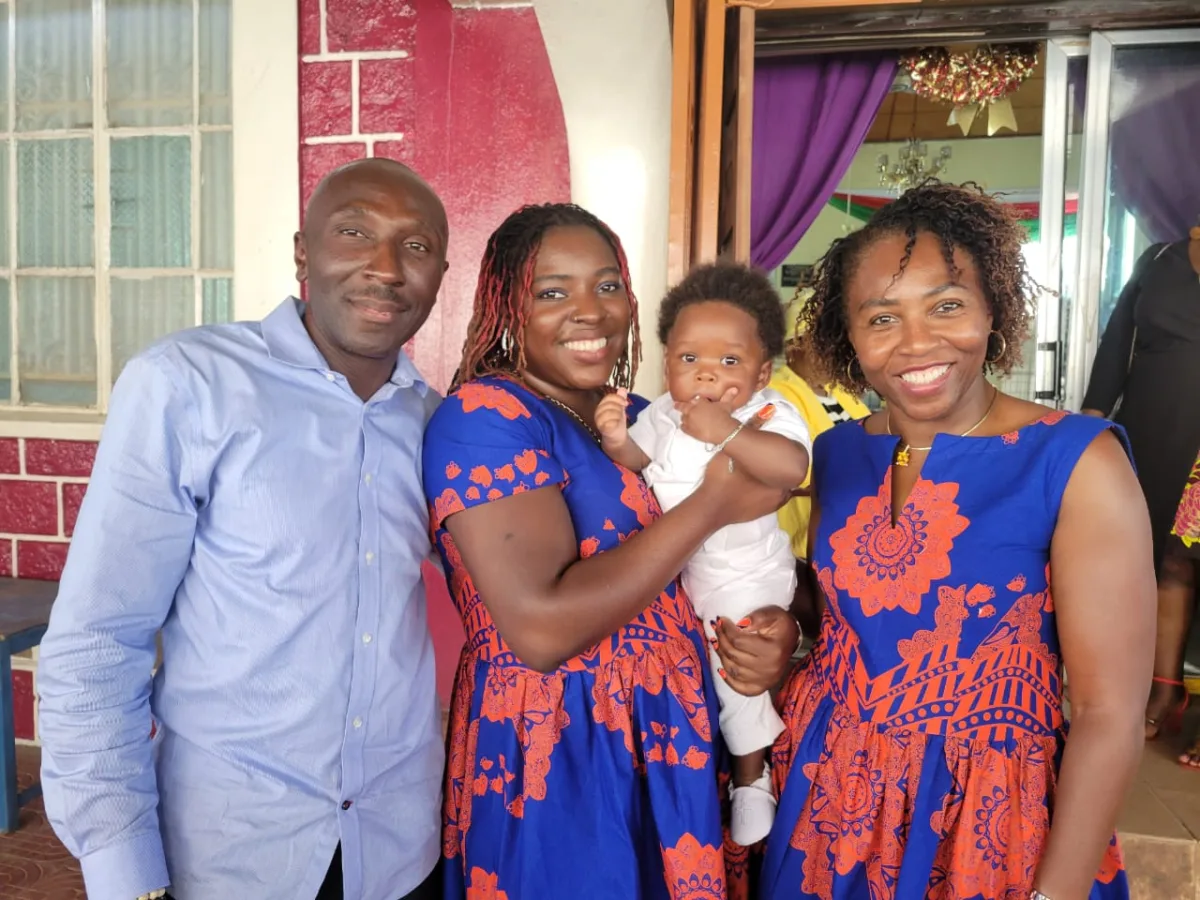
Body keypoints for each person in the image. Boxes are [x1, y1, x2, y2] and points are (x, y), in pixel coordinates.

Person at [37, 158, 450, 900]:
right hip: (231, 853)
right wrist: (121, 865)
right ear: (302, 251)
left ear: (441, 273)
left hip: (397, 848)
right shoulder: (189, 385)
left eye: (415, 247)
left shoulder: (437, 423)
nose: (385, 267)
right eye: (354, 231)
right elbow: (101, 639)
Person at [760, 181, 1155, 900]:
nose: (917, 343)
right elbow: (851, 623)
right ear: (846, 337)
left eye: (947, 305)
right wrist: (785, 632)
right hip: (827, 806)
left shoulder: (1075, 462)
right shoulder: (840, 454)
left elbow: (1110, 714)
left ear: (993, 310)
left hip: (990, 828)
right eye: (882, 318)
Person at [421, 204, 800, 899]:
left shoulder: (639, 416)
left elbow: (739, 547)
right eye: (552, 291)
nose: (588, 311)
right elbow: (541, 628)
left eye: (607, 286)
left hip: (667, 736)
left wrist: (784, 629)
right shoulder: (485, 418)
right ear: (510, 305)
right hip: (559, 749)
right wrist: (715, 497)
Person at [594, 261, 811, 847]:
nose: (707, 375)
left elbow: (792, 468)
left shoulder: (763, 412)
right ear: (666, 364)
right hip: (685, 574)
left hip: (747, 573)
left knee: (736, 667)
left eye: (730, 362)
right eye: (689, 359)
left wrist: (728, 432)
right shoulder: (662, 412)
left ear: (763, 371)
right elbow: (639, 464)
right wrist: (616, 437)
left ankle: (751, 778)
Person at [1082, 224, 1200, 767]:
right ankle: (1164, 687)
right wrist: (1089, 423)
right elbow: (1115, 345)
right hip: (1158, 432)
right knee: (1166, 566)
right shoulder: (1160, 258)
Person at [769, 288, 871, 635]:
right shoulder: (777, 395)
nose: (832, 349)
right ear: (793, 345)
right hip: (803, 546)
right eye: (821, 340)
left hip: (855, 535)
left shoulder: (841, 394)